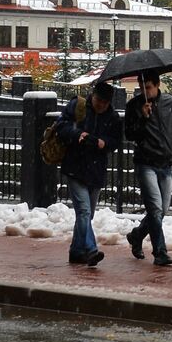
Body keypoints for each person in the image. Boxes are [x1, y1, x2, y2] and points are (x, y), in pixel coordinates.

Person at [58, 81, 122, 266]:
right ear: (92, 96)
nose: (100, 105)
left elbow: (116, 140)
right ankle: (90, 249)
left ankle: (76, 251)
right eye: (98, 100)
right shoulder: (77, 106)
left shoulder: (113, 117)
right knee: (84, 211)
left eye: (105, 102)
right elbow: (61, 127)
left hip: (95, 170)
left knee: (87, 214)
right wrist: (76, 134)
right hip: (75, 167)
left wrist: (104, 143)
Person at [124, 69, 172, 266]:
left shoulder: (169, 103)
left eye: (148, 87)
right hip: (146, 162)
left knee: (162, 210)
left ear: (157, 85)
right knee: (155, 209)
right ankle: (160, 252)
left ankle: (137, 235)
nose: (144, 91)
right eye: (141, 87)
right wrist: (142, 117)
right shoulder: (134, 106)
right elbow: (129, 134)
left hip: (166, 162)